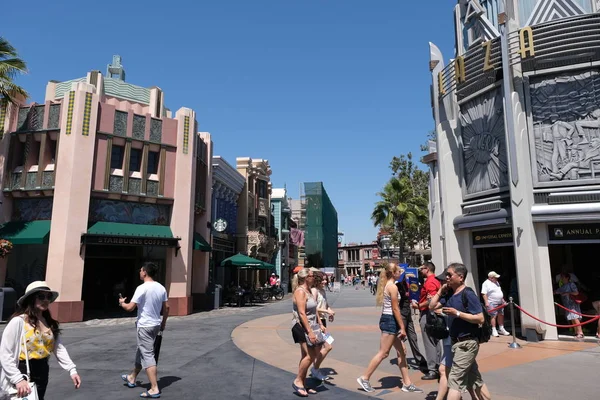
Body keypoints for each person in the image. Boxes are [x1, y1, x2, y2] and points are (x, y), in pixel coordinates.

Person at [0, 281, 81, 400]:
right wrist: (17, 379)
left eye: (48, 297)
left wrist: (72, 370)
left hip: (42, 371)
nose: (46, 300)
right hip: (22, 371)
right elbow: (5, 353)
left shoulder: (49, 323)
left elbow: (58, 348)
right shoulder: (19, 322)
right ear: (31, 299)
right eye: (41, 296)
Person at [356, 263, 423, 394]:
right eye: (398, 271)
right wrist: (402, 328)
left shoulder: (390, 285)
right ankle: (364, 378)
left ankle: (407, 383)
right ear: (393, 273)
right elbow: (395, 308)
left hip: (390, 320)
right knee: (384, 353)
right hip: (390, 320)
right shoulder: (392, 287)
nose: (401, 273)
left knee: (402, 352)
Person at [429, 263, 492, 400]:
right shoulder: (450, 294)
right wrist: (440, 291)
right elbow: (432, 306)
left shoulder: (468, 294)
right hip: (455, 343)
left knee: (455, 381)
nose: (447, 277)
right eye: (446, 275)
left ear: (461, 277)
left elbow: (480, 318)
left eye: (449, 275)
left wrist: (457, 313)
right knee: (475, 378)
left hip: (467, 343)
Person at [119, 262, 169, 398]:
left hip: (145, 326)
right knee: (141, 351)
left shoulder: (141, 288)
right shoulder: (161, 288)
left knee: (147, 355)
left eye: (140, 270)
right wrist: (163, 323)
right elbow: (167, 307)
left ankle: (154, 388)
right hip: (155, 325)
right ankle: (132, 377)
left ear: (145, 272)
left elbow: (130, 308)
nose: (139, 272)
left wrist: (122, 303)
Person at [291, 269, 325, 397]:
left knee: (307, 355)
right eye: (312, 276)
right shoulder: (300, 291)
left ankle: (303, 382)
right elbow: (301, 313)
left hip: (311, 325)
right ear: (306, 278)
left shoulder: (309, 291)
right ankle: (298, 381)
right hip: (301, 327)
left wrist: (320, 324)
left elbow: (314, 309)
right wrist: (310, 331)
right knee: (311, 355)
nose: (314, 278)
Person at [413, 262, 442, 380]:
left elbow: (431, 300)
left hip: (428, 313)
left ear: (427, 269)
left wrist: (419, 306)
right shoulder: (436, 280)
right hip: (435, 313)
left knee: (429, 342)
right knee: (435, 341)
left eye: (421, 269)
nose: (420, 271)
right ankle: (438, 366)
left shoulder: (430, 282)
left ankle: (432, 369)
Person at [397, 278, 427, 373]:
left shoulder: (408, 284)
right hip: (401, 313)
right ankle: (403, 361)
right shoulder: (397, 286)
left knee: (413, 336)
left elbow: (414, 296)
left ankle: (419, 360)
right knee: (401, 339)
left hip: (408, 312)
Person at [312, 272, 335, 380]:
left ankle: (316, 370)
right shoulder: (314, 291)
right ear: (317, 280)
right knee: (328, 346)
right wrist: (326, 311)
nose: (325, 282)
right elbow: (314, 308)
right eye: (323, 280)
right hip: (317, 322)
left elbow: (326, 305)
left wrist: (329, 311)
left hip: (322, 321)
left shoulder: (322, 291)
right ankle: (315, 369)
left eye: (326, 280)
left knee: (319, 349)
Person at [554, 273, 584, 339]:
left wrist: (568, 293)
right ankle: (576, 331)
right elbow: (556, 291)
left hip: (573, 303)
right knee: (572, 318)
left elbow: (576, 292)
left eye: (563, 277)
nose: (562, 279)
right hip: (567, 304)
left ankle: (580, 332)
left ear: (567, 278)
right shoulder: (563, 286)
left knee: (575, 317)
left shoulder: (571, 284)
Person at [481, 271, 510, 337]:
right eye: (495, 277)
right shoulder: (485, 283)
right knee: (493, 316)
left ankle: (501, 328)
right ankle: (494, 329)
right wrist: (486, 302)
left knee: (501, 314)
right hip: (491, 302)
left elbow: (499, 292)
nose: (497, 279)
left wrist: (503, 300)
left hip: (499, 302)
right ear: (491, 278)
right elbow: (484, 293)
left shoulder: (496, 282)